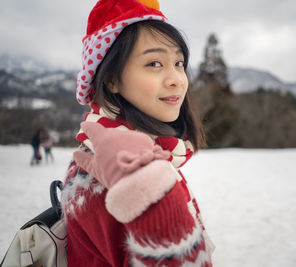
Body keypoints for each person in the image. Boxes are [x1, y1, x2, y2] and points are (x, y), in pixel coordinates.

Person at [60, 0, 215, 266]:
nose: (177, 78)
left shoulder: (125, 154)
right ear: (111, 79)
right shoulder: (107, 174)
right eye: (154, 63)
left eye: (179, 62)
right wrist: (150, 192)